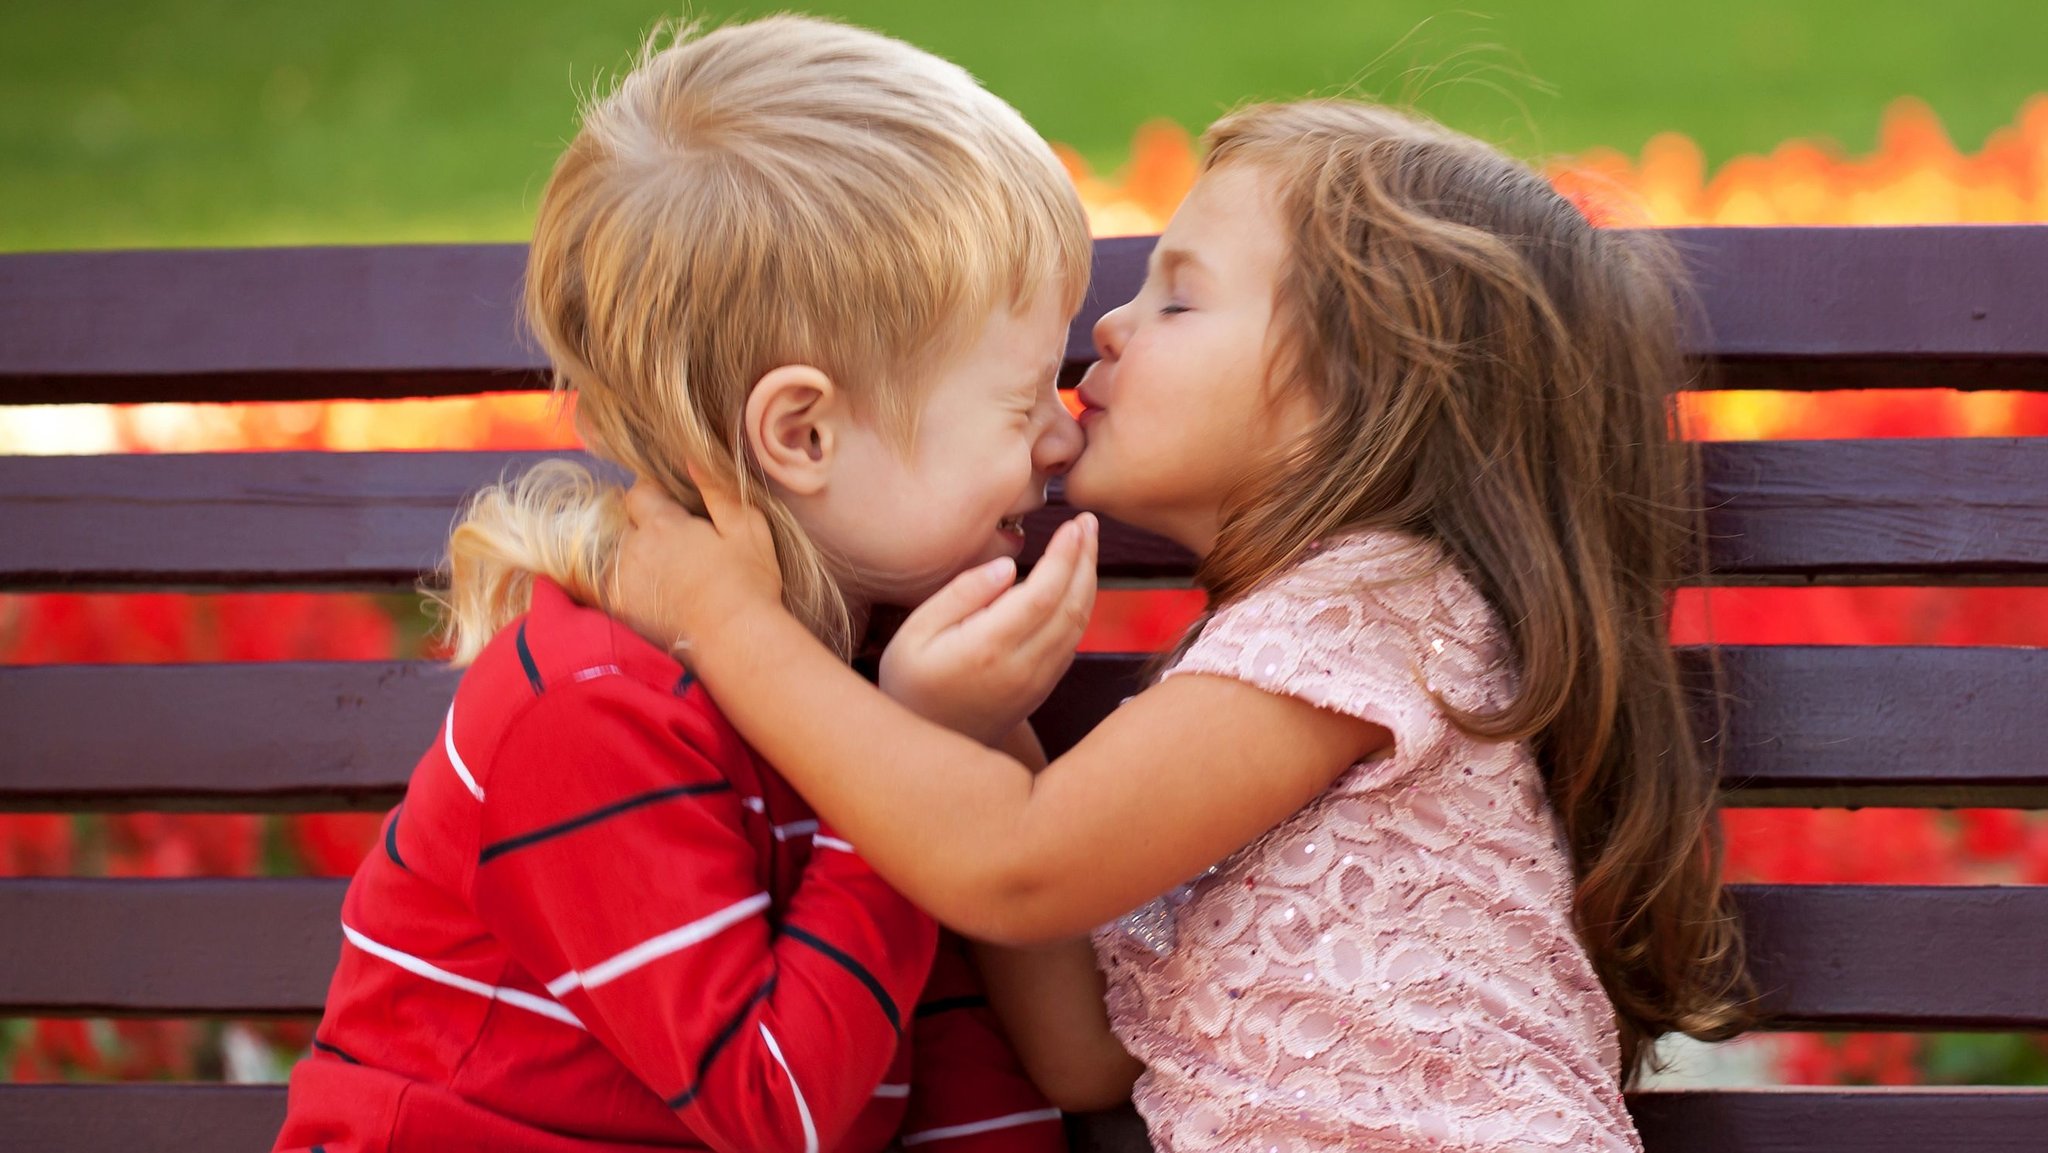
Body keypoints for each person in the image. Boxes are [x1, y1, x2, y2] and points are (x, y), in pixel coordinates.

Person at [612, 99, 1755, 1152]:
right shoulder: (1290, 656)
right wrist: (982, 722)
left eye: (1177, 296)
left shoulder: (1367, 616)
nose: (1107, 327)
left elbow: (1014, 871)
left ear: (1362, 389)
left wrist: (728, 620)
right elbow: (1087, 1053)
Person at [274, 15, 1096, 1153]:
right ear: (801, 434)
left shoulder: (876, 659)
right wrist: (906, 777)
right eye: (1023, 403)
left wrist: (922, 750)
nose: (1062, 440)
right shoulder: (590, 708)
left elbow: (953, 1052)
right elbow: (772, 1106)